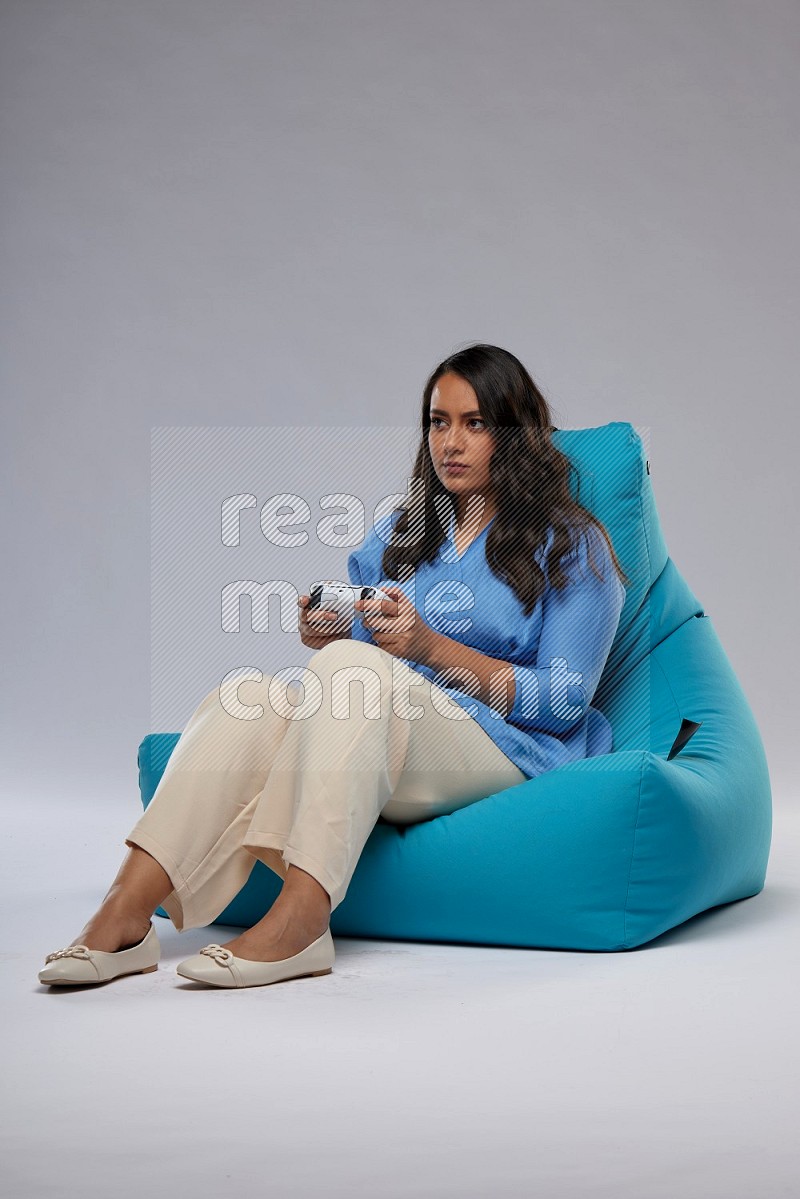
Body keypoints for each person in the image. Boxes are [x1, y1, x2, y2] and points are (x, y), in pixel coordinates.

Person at [38, 343, 628, 990]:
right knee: (252, 697)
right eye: (438, 422)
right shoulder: (406, 531)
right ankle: (124, 915)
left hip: (509, 749)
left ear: (514, 434)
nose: (450, 442)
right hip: (388, 733)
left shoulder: (573, 543)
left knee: (355, 671)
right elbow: (366, 641)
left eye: (475, 423)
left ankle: (302, 919)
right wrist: (332, 624)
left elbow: (566, 697)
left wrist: (431, 648)